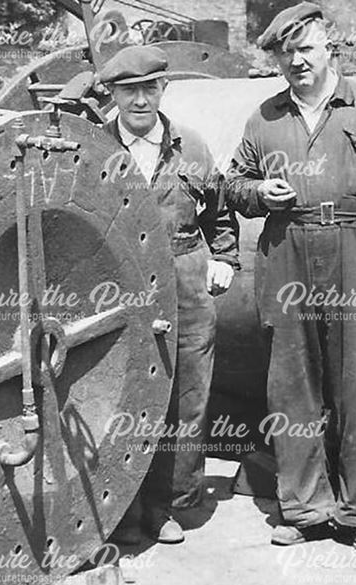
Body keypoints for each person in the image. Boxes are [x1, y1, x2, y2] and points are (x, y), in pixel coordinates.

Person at [225, 2, 356, 554]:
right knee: (293, 386)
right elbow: (231, 186)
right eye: (285, 54)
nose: (296, 62)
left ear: (328, 45)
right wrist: (257, 193)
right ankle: (306, 511)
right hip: (287, 250)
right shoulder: (263, 117)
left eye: (305, 49)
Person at [99, 45, 240, 544]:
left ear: (162, 89)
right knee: (119, 391)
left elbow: (219, 211)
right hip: (116, 281)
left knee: (186, 395)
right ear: (112, 94)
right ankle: (119, 507)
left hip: (183, 273)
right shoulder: (94, 148)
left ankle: (169, 505)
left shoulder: (192, 147)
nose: (140, 100)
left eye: (149, 88)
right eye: (128, 90)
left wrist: (224, 257)